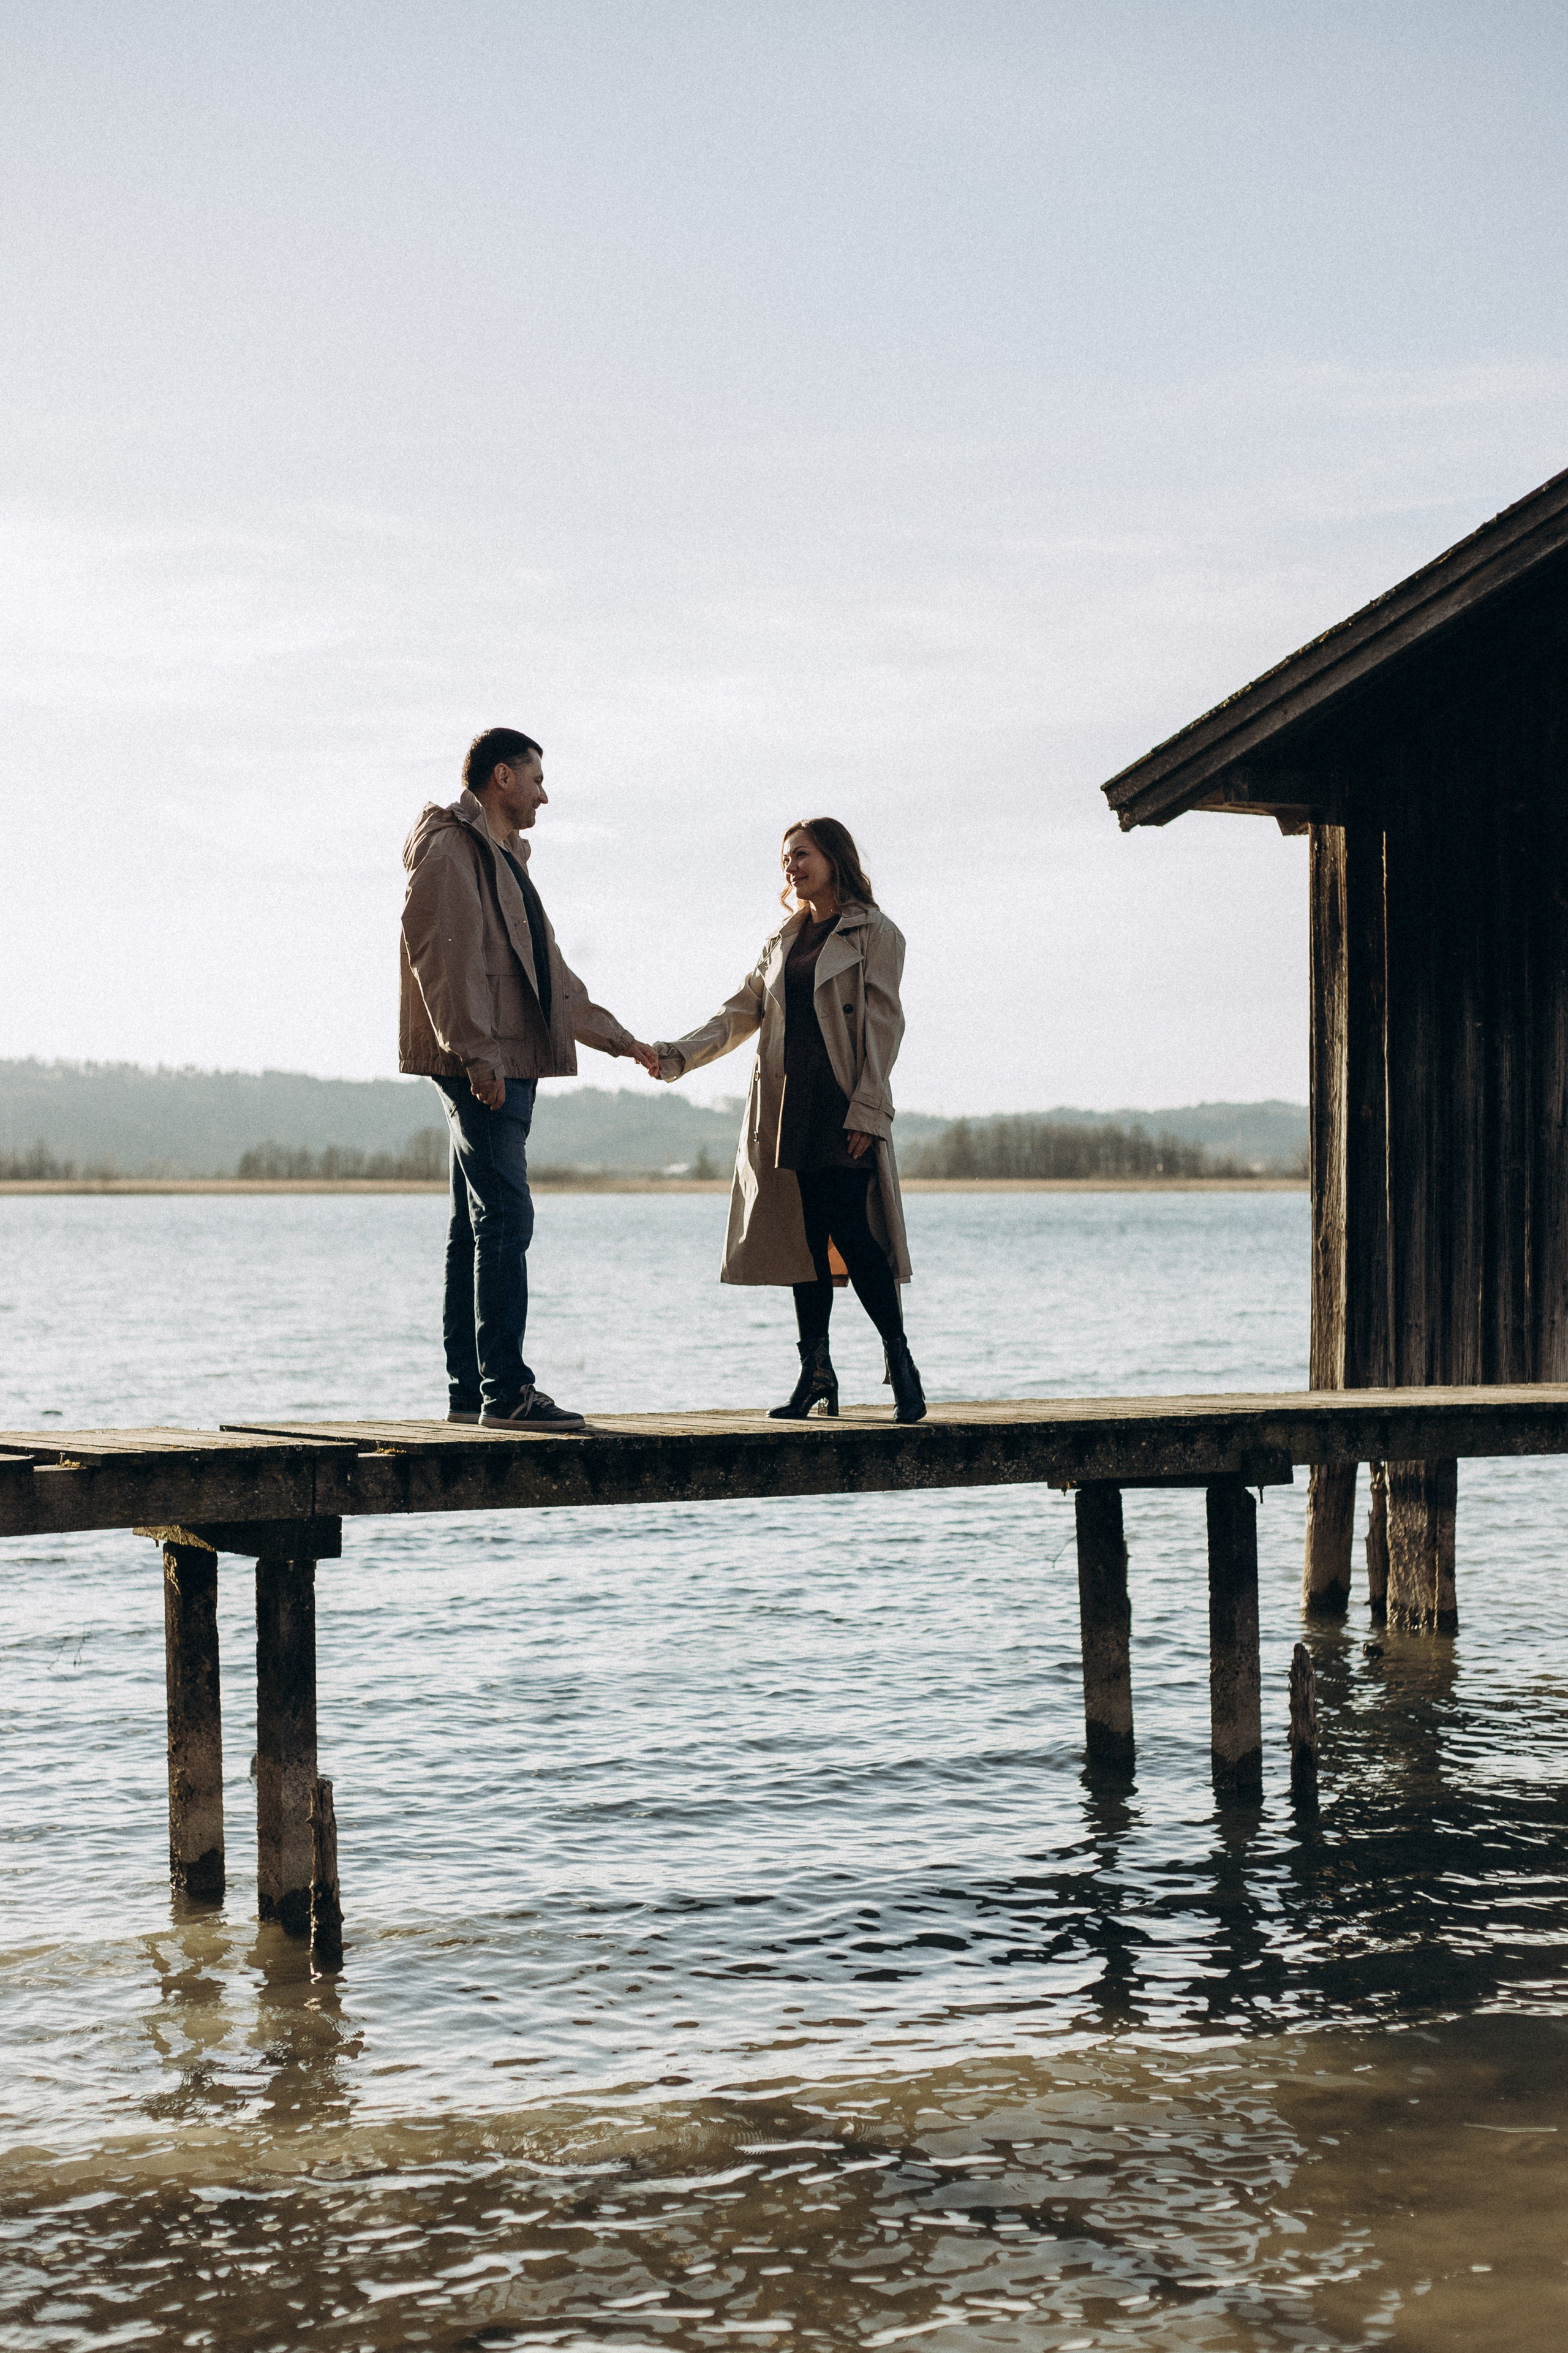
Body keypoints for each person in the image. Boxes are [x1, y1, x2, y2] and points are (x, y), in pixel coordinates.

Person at [400, 727, 658, 1428]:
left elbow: (551, 981)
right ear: (503, 777)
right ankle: (506, 1393)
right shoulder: (453, 848)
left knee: (476, 1228)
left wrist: (621, 1041)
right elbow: (439, 957)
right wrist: (477, 1055)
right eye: (537, 777)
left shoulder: (507, 864)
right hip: (487, 1066)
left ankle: (470, 1392)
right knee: (507, 1218)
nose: (546, 791)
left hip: (502, 1060)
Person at [654, 818, 925, 1422]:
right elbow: (739, 1012)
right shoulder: (783, 938)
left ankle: (901, 1364)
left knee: (852, 1233)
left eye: (801, 855)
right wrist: (676, 1056)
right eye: (785, 860)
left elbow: (884, 1027)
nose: (791, 867)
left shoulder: (875, 933)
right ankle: (816, 1373)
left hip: (841, 1100)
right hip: (788, 1104)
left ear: (833, 857)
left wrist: (869, 1107)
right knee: (806, 1245)